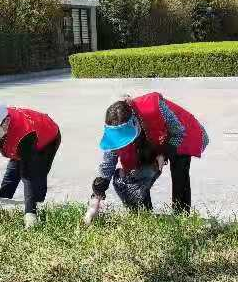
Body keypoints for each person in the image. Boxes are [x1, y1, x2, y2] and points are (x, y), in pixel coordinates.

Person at [83, 93, 209, 223]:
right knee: (128, 179)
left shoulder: (154, 108)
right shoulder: (114, 129)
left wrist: (163, 153)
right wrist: (95, 199)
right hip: (150, 139)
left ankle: (181, 219)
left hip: (182, 132)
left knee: (179, 166)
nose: (122, 144)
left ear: (135, 122)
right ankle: (145, 217)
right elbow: (107, 165)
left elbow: (179, 132)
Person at [0, 101, 61, 228]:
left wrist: (29, 212)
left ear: (6, 122)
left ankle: (36, 209)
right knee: (11, 176)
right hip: (19, 140)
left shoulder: (24, 134)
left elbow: (28, 175)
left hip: (47, 139)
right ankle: (2, 203)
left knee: (36, 174)